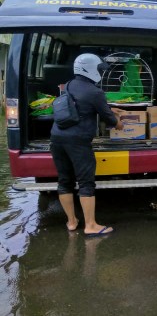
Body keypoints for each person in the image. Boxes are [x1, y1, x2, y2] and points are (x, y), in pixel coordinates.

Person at [50, 53, 124, 237]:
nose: (100, 72)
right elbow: (110, 120)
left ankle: (72, 221)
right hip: (78, 141)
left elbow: (79, 105)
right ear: (91, 69)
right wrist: (120, 122)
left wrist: (107, 108)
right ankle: (91, 225)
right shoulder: (95, 92)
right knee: (86, 182)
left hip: (57, 138)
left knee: (64, 181)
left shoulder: (68, 85)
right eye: (99, 69)